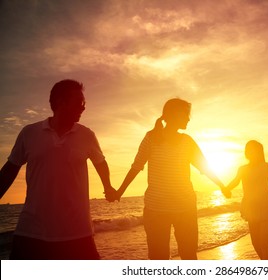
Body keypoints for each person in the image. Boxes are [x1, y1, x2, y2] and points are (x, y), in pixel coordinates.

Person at [0, 79, 116, 259]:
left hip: (78, 231)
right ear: (60, 102)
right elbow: (9, 170)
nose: (84, 107)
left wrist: (108, 186)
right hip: (32, 231)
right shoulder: (29, 133)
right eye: (80, 102)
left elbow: (100, 162)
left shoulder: (87, 135)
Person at [112, 98, 227, 260]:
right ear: (175, 115)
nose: (188, 118)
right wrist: (119, 192)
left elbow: (204, 166)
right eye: (186, 114)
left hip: (183, 207)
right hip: (157, 209)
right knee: (161, 257)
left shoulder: (186, 141)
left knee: (187, 255)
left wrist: (221, 185)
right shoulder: (152, 138)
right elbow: (136, 166)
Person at [225, 140, 268, 260]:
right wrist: (225, 188)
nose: (253, 152)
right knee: (255, 243)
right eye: (250, 149)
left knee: (264, 242)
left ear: (260, 152)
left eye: (256, 150)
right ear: (246, 152)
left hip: (266, 205)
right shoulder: (242, 169)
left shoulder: (266, 166)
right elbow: (235, 181)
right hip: (250, 208)